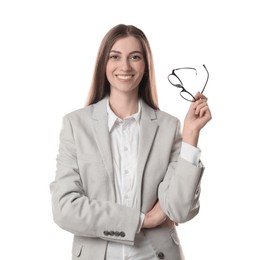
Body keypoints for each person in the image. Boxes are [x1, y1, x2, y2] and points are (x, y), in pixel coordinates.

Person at [50, 24, 212, 260]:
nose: (124, 66)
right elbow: (65, 209)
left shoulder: (169, 127)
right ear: (103, 64)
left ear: (145, 66)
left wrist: (190, 137)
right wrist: (143, 220)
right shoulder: (76, 125)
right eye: (115, 56)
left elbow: (180, 209)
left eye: (135, 57)